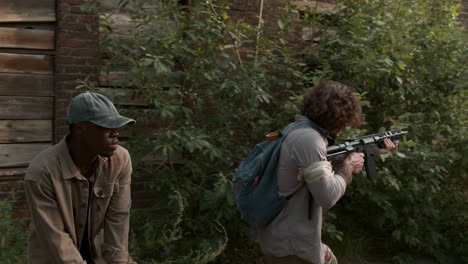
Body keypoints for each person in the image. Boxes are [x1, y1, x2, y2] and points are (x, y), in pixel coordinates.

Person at [257, 81, 398, 264]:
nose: (346, 125)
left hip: (286, 239)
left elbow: (320, 161)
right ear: (339, 116)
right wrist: (348, 167)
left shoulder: (298, 130)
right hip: (292, 248)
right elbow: (327, 196)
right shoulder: (310, 140)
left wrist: (371, 149)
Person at [25, 91, 137, 264]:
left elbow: (118, 221)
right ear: (80, 128)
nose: (115, 133)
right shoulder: (42, 172)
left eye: (116, 126)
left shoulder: (120, 160)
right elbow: (56, 240)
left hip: (97, 256)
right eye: (105, 126)